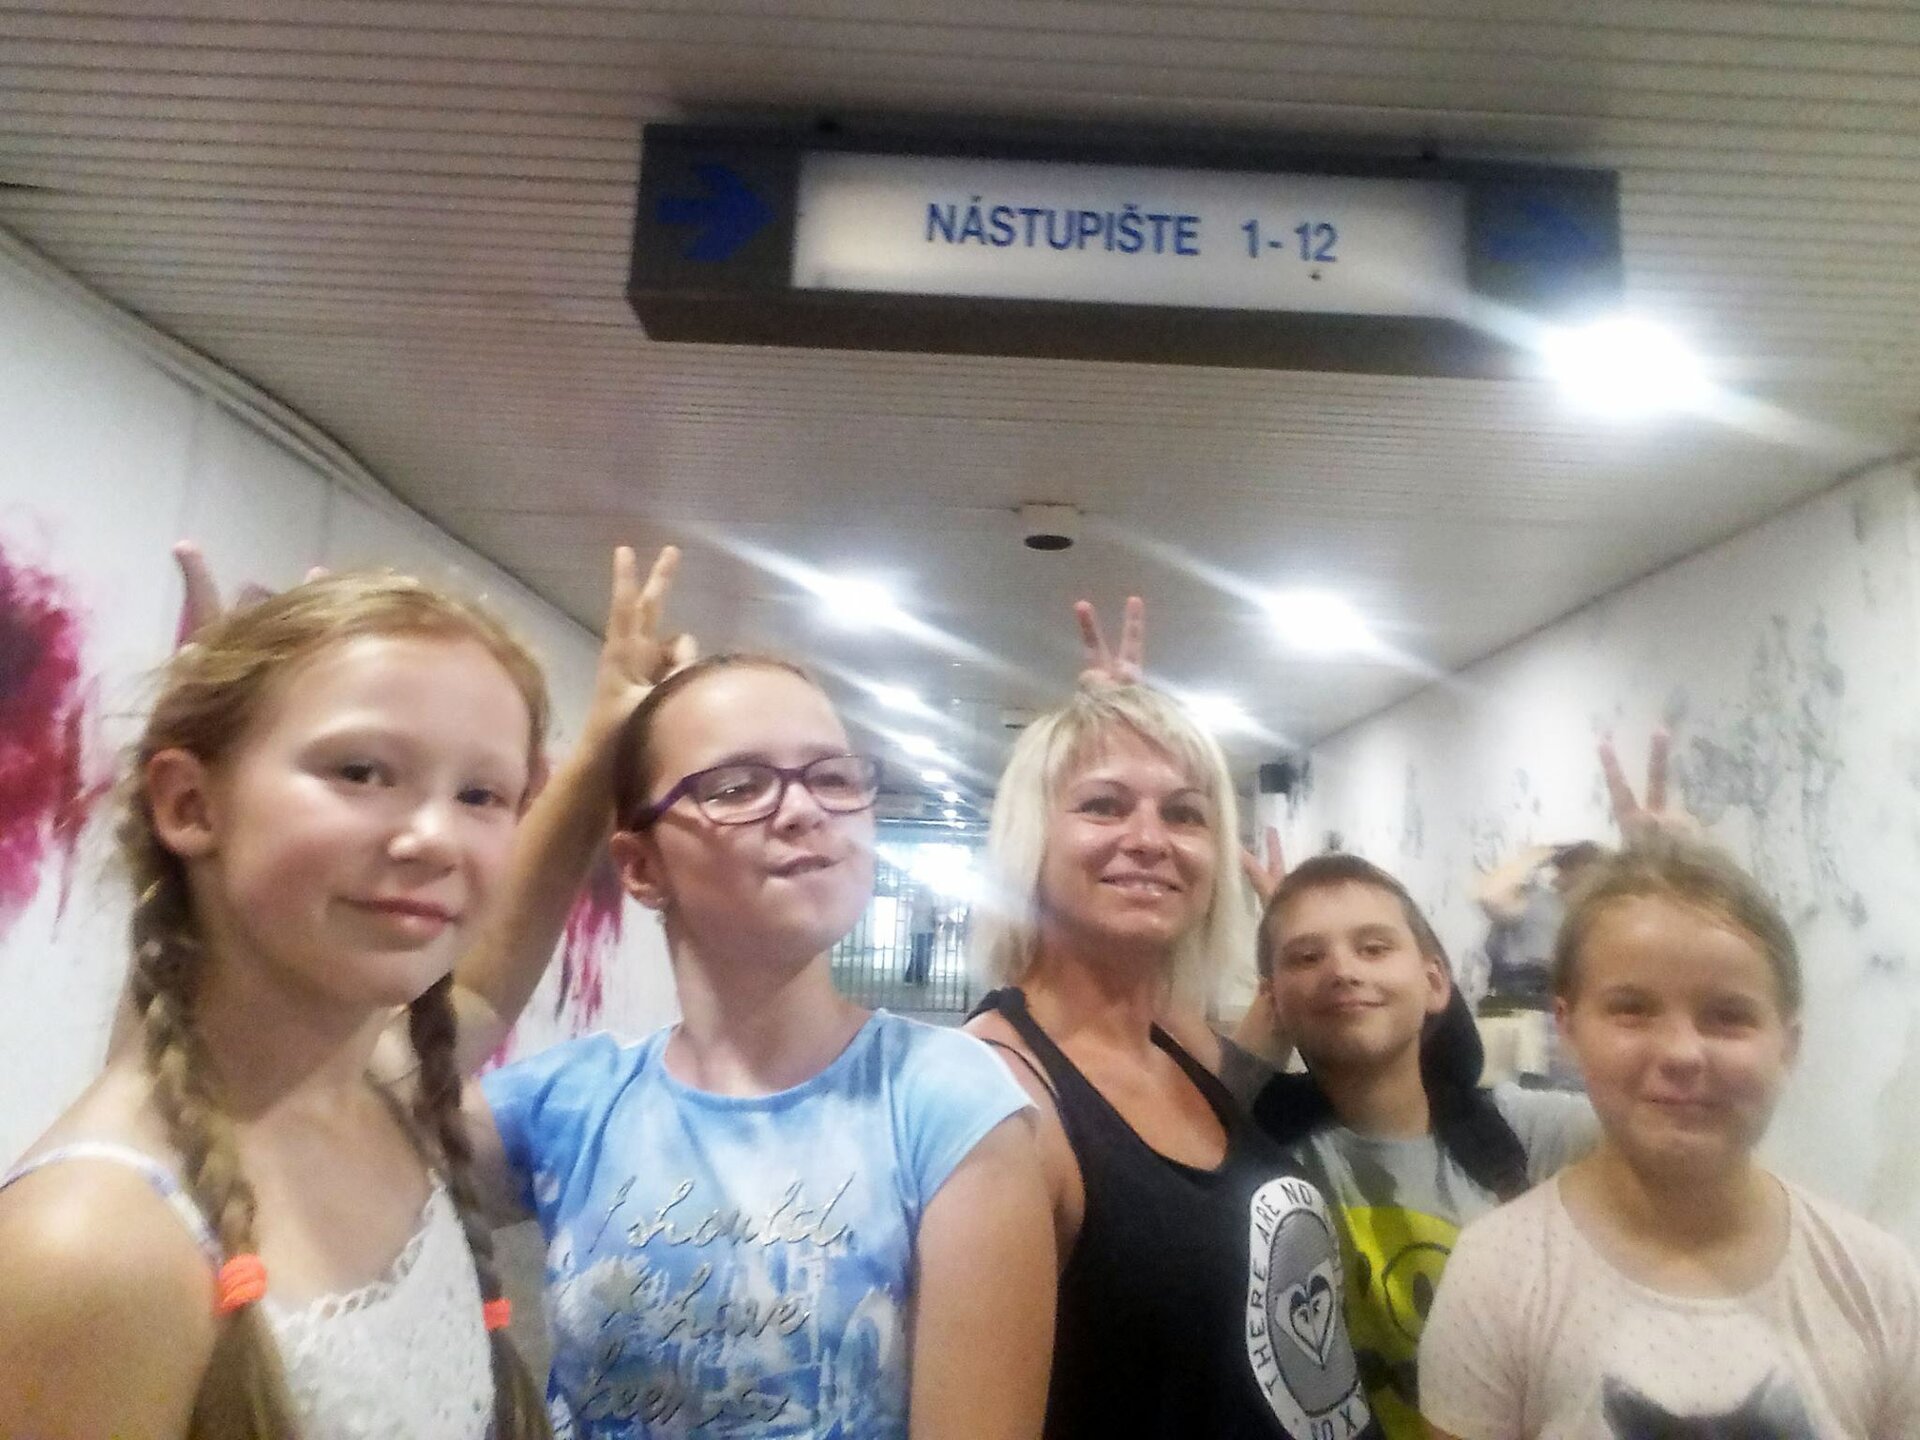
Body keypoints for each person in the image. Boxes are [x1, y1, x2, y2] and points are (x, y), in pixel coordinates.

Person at [0, 569, 556, 1439]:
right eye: (361, 772)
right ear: (190, 803)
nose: (436, 838)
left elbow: (485, 984)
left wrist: (608, 751)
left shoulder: (374, 1099)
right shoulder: (91, 1248)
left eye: (481, 795)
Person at [466, 647, 1056, 1440]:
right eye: (738, 787)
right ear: (640, 867)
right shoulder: (572, 1103)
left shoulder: (947, 1102)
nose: (803, 810)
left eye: (832, 778)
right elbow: (373, 1094)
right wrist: (585, 776)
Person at [966, 664, 1380, 1440]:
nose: (1150, 840)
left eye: (1185, 814)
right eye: (1103, 805)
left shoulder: (1170, 1043)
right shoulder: (998, 1092)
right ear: (1030, 837)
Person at [1420, 835, 1920, 1439]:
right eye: (1632, 1010)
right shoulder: (1497, 1277)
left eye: (1728, 1016)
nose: (1682, 1053)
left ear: (1787, 1046)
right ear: (1568, 1029)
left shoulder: (1878, 1284)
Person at [1251, 855, 1597, 1440]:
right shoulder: (1256, 1156)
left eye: (1374, 948)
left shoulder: (1528, 1134)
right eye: (1306, 958)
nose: (1341, 970)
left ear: (1435, 982)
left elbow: (1681, 1151)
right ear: (1272, 1001)